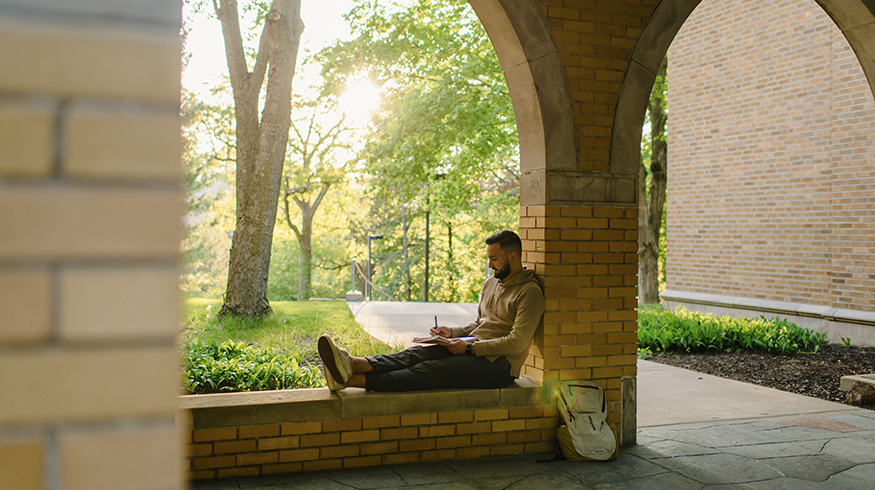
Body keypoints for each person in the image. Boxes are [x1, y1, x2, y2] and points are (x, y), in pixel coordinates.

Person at [318, 230, 545, 392]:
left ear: (512, 257)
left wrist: (468, 347)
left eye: (494, 259)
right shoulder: (492, 283)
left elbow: (517, 342)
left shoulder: (530, 293)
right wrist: (452, 333)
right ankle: (353, 363)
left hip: (499, 367)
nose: (489, 265)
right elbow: (479, 324)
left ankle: (350, 381)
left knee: (428, 370)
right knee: (417, 353)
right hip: (474, 347)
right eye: (488, 258)